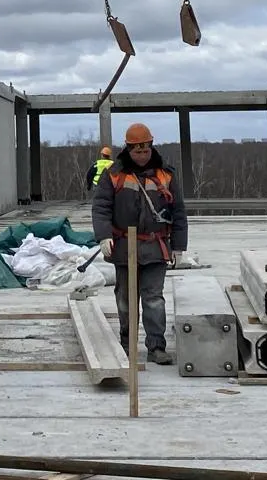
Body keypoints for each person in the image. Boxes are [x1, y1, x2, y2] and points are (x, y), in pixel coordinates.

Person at [90, 121, 188, 365]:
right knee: (125, 298)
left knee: (154, 298)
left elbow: (178, 212)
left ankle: (156, 346)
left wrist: (179, 246)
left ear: (151, 147)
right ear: (128, 149)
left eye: (145, 151)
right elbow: (101, 207)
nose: (142, 156)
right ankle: (126, 342)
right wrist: (103, 235)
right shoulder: (113, 174)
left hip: (156, 247)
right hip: (124, 248)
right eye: (137, 151)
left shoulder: (166, 174)